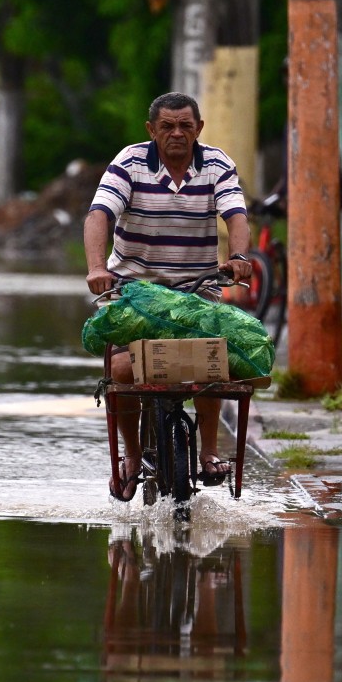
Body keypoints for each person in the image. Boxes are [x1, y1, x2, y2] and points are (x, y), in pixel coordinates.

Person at [85, 91, 253, 502]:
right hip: (133, 291)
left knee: (213, 363)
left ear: (199, 128)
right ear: (151, 130)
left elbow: (235, 215)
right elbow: (99, 215)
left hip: (197, 288)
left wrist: (239, 256)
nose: (177, 133)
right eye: (167, 126)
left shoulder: (216, 164)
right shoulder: (129, 163)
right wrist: (96, 268)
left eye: (185, 126)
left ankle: (210, 451)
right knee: (123, 372)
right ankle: (131, 454)